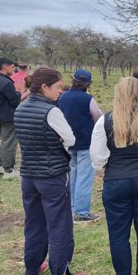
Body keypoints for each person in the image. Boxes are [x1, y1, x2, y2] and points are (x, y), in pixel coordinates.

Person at [14, 66, 86, 275]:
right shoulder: (51, 111)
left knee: (34, 222)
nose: (60, 92)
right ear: (44, 87)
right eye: (57, 87)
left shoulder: (21, 108)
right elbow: (71, 139)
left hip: (28, 174)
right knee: (59, 225)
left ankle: (32, 268)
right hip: (53, 175)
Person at [90, 77, 138, 275]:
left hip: (115, 181)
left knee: (118, 233)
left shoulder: (106, 120)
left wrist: (110, 167)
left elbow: (97, 158)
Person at [58, 69, 102, 222]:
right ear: (88, 84)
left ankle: (70, 209)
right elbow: (98, 117)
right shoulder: (87, 99)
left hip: (67, 142)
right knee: (85, 177)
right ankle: (82, 212)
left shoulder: (62, 97)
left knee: (72, 176)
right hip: (85, 143)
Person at [0, 57, 21, 178]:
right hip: (7, 116)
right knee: (9, 142)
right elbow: (14, 101)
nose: (14, 69)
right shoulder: (6, 82)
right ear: (5, 67)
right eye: (12, 66)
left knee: (5, 140)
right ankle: (8, 170)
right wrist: (18, 91)